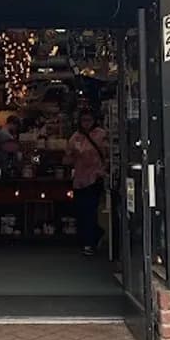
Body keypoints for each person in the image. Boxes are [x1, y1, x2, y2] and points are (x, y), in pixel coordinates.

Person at [66, 109, 108, 256]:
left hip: (95, 177)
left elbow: (107, 153)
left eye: (89, 120)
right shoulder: (75, 137)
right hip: (79, 179)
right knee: (81, 211)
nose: (86, 123)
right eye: (83, 120)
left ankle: (89, 243)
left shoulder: (101, 135)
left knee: (90, 211)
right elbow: (67, 157)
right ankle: (88, 238)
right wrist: (73, 155)